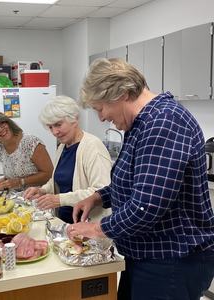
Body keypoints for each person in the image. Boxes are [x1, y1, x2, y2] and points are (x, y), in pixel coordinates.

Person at [68, 58, 214, 300]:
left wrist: (96, 228)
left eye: (100, 108)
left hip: (171, 260)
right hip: (148, 255)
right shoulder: (141, 124)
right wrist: (97, 197)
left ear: (122, 94)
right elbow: (137, 182)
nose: (101, 118)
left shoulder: (163, 122)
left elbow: (146, 207)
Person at [23, 95, 112, 224]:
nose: (55, 132)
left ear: (74, 119)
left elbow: (102, 191)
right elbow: (58, 181)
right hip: (65, 222)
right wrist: (42, 190)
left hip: (89, 225)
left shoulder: (92, 146)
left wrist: (60, 199)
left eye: (58, 125)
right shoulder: (62, 147)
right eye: (50, 127)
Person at [0, 111, 53, 191]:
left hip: (38, 198)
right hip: (17, 200)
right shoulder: (1, 149)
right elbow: (15, 174)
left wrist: (20, 182)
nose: (0, 129)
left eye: (2, 123)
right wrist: (5, 181)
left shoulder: (31, 143)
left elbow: (49, 174)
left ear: (8, 123)